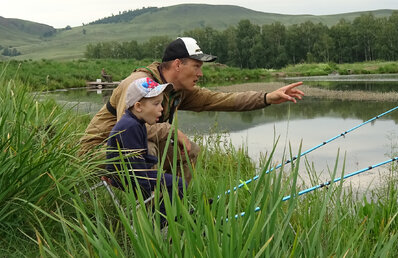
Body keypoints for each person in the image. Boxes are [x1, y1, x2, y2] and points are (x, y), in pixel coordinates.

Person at [80, 37, 304, 183]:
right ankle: (151, 215)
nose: (200, 73)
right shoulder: (140, 84)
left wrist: (266, 97)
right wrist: (170, 131)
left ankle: (175, 205)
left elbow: (221, 100)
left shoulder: (177, 90)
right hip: (97, 154)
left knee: (189, 150)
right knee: (149, 147)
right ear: (178, 64)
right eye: (196, 66)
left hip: (129, 154)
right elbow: (127, 131)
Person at [106, 77, 183, 226]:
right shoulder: (131, 126)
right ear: (138, 106)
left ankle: (166, 215)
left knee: (174, 183)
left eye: (161, 103)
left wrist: (153, 164)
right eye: (156, 104)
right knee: (178, 184)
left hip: (129, 172)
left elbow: (139, 157)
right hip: (126, 176)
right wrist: (147, 192)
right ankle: (159, 222)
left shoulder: (136, 122)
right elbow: (135, 164)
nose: (161, 108)